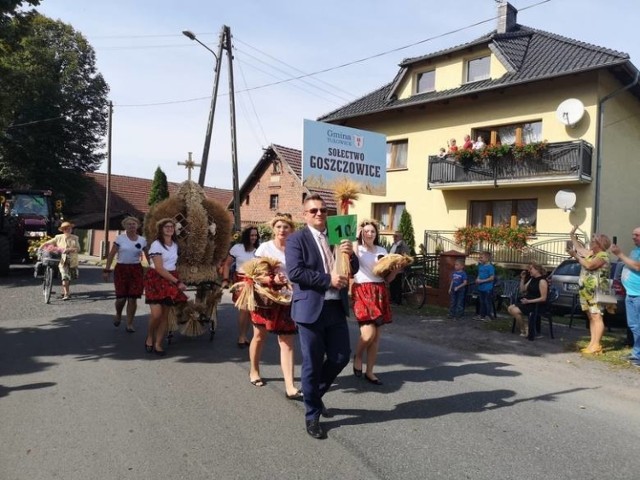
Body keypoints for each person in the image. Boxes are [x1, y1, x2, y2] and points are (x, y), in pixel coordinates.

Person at [285, 194, 359, 440]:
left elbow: (353, 268)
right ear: (305, 214)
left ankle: (313, 395)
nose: (319, 214)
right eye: (314, 211)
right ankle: (312, 415)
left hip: (335, 307)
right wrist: (328, 280)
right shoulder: (297, 239)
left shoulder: (338, 235)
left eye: (323, 211)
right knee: (312, 362)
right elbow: (295, 272)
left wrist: (351, 254)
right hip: (310, 309)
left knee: (340, 357)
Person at [248, 213, 302, 398]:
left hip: (288, 299)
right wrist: (273, 279)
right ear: (273, 229)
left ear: (291, 230)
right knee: (259, 336)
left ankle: (290, 386)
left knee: (287, 342)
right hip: (266, 299)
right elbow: (253, 274)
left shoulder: (295, 248)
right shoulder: (265, 248)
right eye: (279, 227)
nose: (282, 230)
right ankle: (254, 370)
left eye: (286, 227)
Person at [351, 220, 401, 386]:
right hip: (362, 290)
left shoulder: (382, 250)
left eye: (372, 231)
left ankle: (370, 371)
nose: (369, 234)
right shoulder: (358, 249)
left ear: (376, 233)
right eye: (366, 231)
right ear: (361, 233)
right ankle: (358, 356)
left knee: (376, 336)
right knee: (368, 334)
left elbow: (387, 278)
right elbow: (352, 261)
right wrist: (356, 235)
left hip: (379, 290)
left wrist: (395, 270)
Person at [143, 218, 188, 356]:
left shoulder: (174, 245)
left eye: (171, 227)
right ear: (161, 229)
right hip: (156, 279)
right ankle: (150, 337)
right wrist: (177, 282)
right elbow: (159, 268)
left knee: (165, 315)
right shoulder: (156, 245)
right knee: (156, 314)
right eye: (166, 227)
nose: (169, 229)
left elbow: (173, 264)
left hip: (170, 279)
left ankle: (158, 343)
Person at [567, 233, 612, 355]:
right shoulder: (592, 254)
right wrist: (572, 237)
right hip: (587, 291)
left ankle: (597, 345)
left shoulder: (603, 255)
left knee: (597, 316)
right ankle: (592, 343)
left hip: (597, 291)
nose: (590, 244)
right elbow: (580, 249)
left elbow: (589, 265)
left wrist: (575, 255)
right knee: (591, 317)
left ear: (599, 244)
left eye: (592, 242)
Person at [103, 216, 149, 332]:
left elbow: (148, 256)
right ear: (125, 226)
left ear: (137, 225)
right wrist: (107, 270)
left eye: (133, 224)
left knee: (133, 298)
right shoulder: (120, 239)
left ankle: (129, 323)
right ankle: (118, 314)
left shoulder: (142, 240)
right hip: (121, 269)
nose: (131, 226)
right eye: (129, 224)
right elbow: (112, 254)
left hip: (136, 270)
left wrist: (152, 269)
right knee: (121, 298)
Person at [221, 226, 259, 348]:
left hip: (256, 281)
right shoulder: (237, 248)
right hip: (241, 281)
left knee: (250, 311)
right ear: (246, 236)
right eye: (251, 235)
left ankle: (246, 335)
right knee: (244, 309)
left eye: (255, 235)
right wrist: (225, 280)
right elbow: (226, 265)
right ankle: (242, 336)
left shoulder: (259, 250)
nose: (253, 237)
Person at [610, 228, 640, 367]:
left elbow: (637, 267)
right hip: (631, 294)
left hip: (639, 295)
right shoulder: (635, 251)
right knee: (633, 326)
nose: (633, 237)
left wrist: (620, 254)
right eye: (633, 234)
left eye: (637, 235)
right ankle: (636, 353)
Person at [40, 221, 80, 301]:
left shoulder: (75, 238)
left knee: (71, 277)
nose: (69, 230)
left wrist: (70, 249)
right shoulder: (58, 237)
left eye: (70, 228)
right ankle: (66, 294)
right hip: (62, 260)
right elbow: (49, 242)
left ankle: (66, 291)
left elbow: (78, 249)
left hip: (72, 260)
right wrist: (42, 246)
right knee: (65, 277)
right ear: (63, 230)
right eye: (67, 229)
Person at [507, 262, 549, 337]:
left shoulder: (542, 281)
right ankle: (525, 328)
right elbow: (522, 290)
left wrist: (529, 301)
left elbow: (543, 298)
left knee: (514, 310)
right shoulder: (532, 279)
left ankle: (525, 329)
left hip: (537, 304)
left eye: (531, 269)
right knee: (510, 308)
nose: (529, 271)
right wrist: (522, 278)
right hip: (528, 301)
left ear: (537, 270)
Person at [474, 251, 495, 321]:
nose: (480, 259)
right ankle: (481, 315)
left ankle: (488, 316)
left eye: (481, 257)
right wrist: (477, 279)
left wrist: (482, 281)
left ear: (487, 258)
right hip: (481, 288)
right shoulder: (480, 266)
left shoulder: (490, 267)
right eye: (480, 257)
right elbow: (479, 274)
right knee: (482, 302)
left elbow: (492, 278)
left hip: (488, 288)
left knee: (487, 302)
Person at [389, 231, 408, 305]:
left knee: (398, 284)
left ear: (400, 237)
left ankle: (398, 301)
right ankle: (393, 299)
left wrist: (399, 264)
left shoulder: (403, 245)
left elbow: (405, 257)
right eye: (393, 236)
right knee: (392, 283)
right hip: (392, 267)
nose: (394, 237)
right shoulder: (394, 244)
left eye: (396, 236)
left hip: (398, 268)